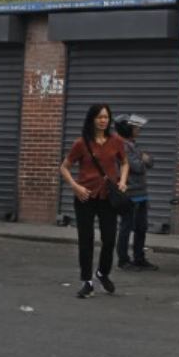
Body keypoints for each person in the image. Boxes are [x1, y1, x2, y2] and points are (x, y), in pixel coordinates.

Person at [57, 103, 130, 298]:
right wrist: (75, 186)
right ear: (92, 119)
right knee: (86, 240)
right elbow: (64, 167)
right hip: (85, 196)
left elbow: (124, 163)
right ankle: (87, 281)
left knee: (109, 239)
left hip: (108, 197)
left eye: (106, 117)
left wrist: (122, 181)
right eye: (99, 117)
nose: (103, 120)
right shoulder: (81, 143)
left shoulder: (116, 141)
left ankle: (102, 273)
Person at [113, 114, 158, 271]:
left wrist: (143, 158)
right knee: (126, 226)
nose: (138, 130)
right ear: (127, 129)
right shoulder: (123, 146)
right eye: (135, 127)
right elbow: (138, 167)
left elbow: (150, 162)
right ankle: (124, 260)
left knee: (141, 227)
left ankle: (139, 258)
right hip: (130, 193)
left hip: (141, 192)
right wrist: (142, 157)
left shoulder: (132, 145)